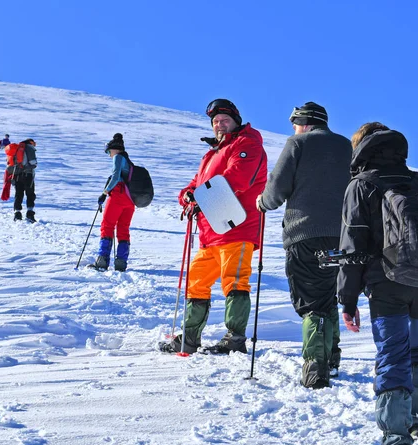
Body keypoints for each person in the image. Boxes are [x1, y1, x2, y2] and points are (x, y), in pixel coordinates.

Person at [337, 122, 418, 445]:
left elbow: (351, 245)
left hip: (387, 283)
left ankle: (396, 439)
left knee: (392, 354)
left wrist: (348, 298)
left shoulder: (361, 186)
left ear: (361, 149)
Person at [159, 99, 268, 355]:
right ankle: (189, 337)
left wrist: (199, 195)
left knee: (234, 281)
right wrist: (187, 195)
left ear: (236, 122)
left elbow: (237, 179)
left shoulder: (247, 144)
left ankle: (235, 338)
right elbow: (194, 184)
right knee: (196, 281)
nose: (219, 125)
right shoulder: (212, 154)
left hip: (237, 225)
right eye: (216, 121)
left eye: (225, 120)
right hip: (211, 231)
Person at [257, 102, 352, 389]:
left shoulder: (298, 143)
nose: (294, 129)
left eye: (295, 124)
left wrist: (262, 202)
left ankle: (315, 367)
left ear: (305, 123)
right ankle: (332, 357)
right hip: (342, 237)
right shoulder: (347, 147)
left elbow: (276, 189)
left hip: (305, 235)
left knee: (311, 301)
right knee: (328, 293)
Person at [90, 133, 134, 272]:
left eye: (109, 151)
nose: (109, 154)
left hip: (118, 196)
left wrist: (104, 192)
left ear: (115, 149)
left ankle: (102, 261)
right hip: (131, 199)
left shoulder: (118, 157)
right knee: (123, 229)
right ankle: (121, 262)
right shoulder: (128, 161)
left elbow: (115, 177)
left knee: (107, 226)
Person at [10, 139, 38, 222]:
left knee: (18, 194)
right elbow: (33, 162)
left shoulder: (17, 148)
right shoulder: (29, 148)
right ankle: (30, 214)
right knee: (30, 194)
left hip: (17, 174)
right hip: (28, 174)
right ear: (31, 142)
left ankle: (17, 214)